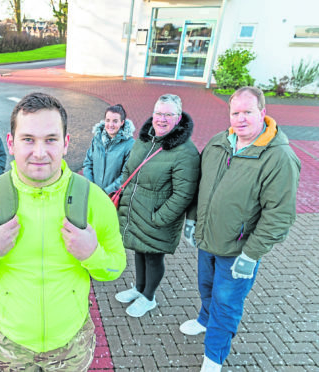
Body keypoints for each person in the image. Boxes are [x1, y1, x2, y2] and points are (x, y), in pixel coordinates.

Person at [0, 92, 126, 371]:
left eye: (51, 139)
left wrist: (92, 254)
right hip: (9, 345)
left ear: (66, 143)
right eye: (28, 139)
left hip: (71, 343)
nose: (40, 152)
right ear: (10, 143)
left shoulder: (94, 200)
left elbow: (115, 268)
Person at [180, 87, 300, 371]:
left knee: (227, 303)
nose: (241, 118)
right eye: (235, 112)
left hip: (238, 250)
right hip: (208, 239)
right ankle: (204, 319)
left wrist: (252, 254)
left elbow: (280, 214)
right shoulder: (220, 142)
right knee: (206, 288)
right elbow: (202, 185)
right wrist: (192, 218)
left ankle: (214, 357)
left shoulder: (278, 157)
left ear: (263, 113)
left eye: (248, 112)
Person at [115, 94, 200, 318]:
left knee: (153, 256)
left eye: (168, 115)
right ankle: (139, 288)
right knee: (139, 250)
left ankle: (149, 297)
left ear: (178, 117)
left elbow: (184, 193)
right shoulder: (145, 139)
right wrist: (123, 195)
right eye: (158, 113)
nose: (161, 119)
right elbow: (128, 169)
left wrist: (158, 218)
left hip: (156, 217)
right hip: (137, 210)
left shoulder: (185, 152)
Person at [82, 104, 135, 194]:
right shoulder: (96, 139)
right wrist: (92, 187)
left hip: (112, 196)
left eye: (115, 121)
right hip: (93, 193)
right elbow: (88, 164)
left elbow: (126, 174)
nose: (110, 125)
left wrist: (105, 192)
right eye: (108, 120)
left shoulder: (129, 144)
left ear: (122, 122)